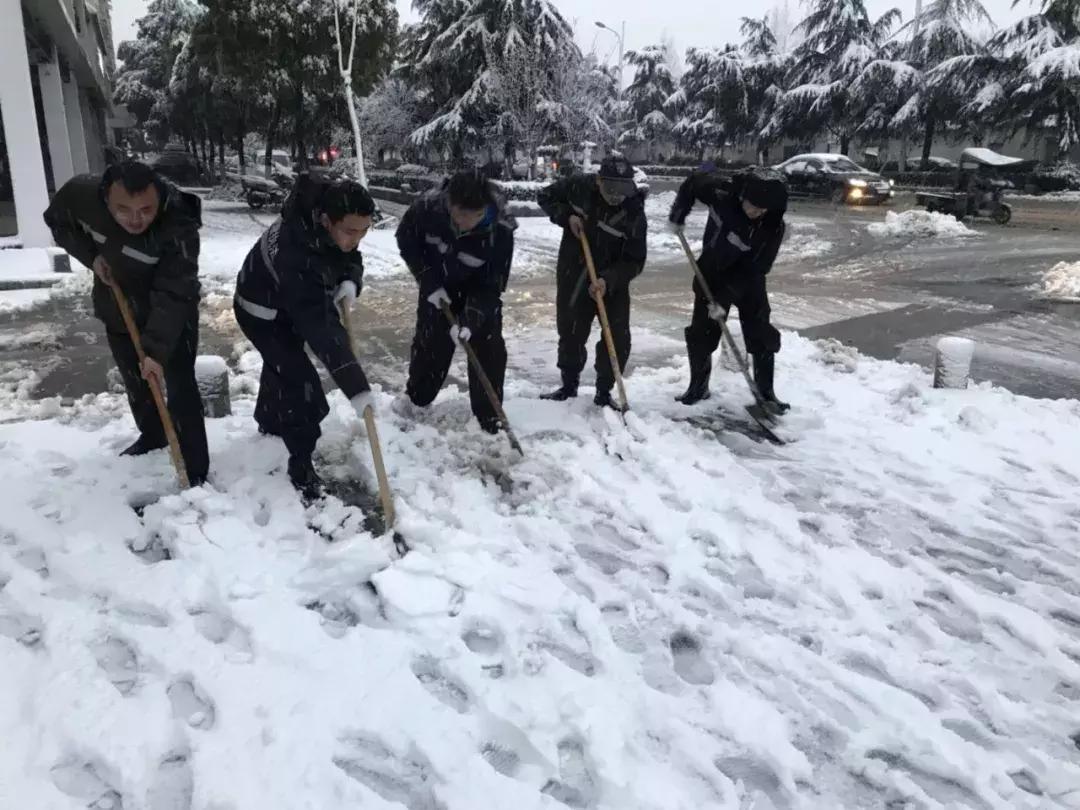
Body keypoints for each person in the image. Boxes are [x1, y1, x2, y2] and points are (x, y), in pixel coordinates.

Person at [43, 161, 210, 485]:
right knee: (136, 379)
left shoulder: (179, 223)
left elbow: (175, 291)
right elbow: (58, 221)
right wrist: (91, 256)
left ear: (158, 200)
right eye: (124, 210)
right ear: (106, 199)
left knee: (179, 385)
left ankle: (194, 467)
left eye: (146, 210)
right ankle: (153, 436)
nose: (136, 219)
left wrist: (155, 351)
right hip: (117, 302)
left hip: (172, 313)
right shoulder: (81, 195)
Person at [233, 173, 375, 501]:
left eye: (364, 231)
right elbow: (322, 329)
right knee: (304, 390)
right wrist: (356, 387)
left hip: (286, 304)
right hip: (262, 314)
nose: (357, 239)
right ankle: (301, 466)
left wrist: (350, 280)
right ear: (326, 220)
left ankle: (269, 421)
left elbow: (349, 255)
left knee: (284, 366)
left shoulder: (321, 220)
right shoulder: (296, 252)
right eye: (351, 231)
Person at [396, 170, 516, 434]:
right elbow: (406, 239)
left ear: (483, 209)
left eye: (470, 217)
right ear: (449, 202)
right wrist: (427, 280)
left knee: (488, 350)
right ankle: (417, 400)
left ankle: (490, 418)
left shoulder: (502, 228)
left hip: (479, 289)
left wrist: (471, 318)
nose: (461, 224)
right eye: (457, 214)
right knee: (430, 344)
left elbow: (493, 285)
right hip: (438, 285)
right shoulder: (428, 207)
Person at [667, 167, 790, 413]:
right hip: (711, 273)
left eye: (763, 210)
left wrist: (722, 301)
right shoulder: (720, 193)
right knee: (701, 333)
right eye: (753, 205)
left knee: (761, 333)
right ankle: (698, 387)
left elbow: (757, 269)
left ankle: (766, 393)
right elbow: (692, 182)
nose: (757, 212)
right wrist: (678, 215)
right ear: (743, 196)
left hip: (749, 278)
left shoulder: (773, 227)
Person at [536, 156, 647, 408]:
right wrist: (566, 216)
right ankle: (568, 385)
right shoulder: (579, 187)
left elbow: (636, 261)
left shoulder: (634, 213)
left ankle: (604, 392)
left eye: (623, 189)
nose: (617, 196)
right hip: (574, 272)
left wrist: (609, 279)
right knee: (571, 331)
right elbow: (545, 196)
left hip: (612, 282)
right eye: (611, 189)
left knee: (618, 337)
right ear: (598, 181)